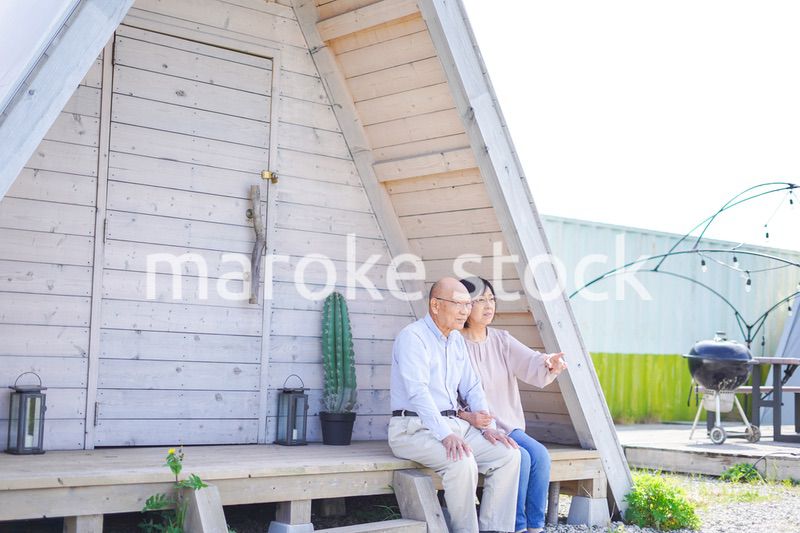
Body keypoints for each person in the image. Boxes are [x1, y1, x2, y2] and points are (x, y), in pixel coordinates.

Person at [388, 277, 521, 533]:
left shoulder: (457, 340)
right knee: (461, 461)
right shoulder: (413, 337)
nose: (465, 311)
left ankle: (494, 529)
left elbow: (472, 387)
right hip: (412, 428)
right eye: (458, 304)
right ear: (436, 305)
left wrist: (489, 427)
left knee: (508, 454)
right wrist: (446, 434)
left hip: (453, 425)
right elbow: (418, 393)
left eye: (467, 305)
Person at [457, 277, 568, 533]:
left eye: (492, 299)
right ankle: (516, 526)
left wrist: (549, 362)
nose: (488, 306)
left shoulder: (501, 339)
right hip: (475, 427)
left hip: (508, 424)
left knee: (539, 454)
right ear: (464, 306)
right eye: (480, 300)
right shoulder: (455, 343)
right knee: (522, 457)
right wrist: (468, 416)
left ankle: (535, 527)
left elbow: (532, 362)